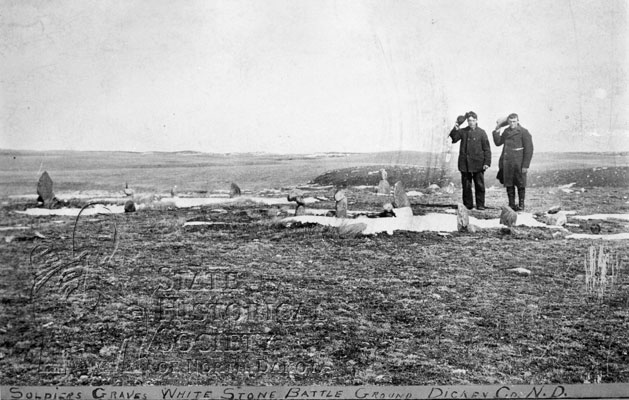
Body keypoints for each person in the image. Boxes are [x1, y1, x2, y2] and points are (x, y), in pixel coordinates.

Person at [448, 111, 491, 210]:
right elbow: (453, 139)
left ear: (476, 120)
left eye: (473, 120)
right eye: (469, 120)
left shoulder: (482, 132)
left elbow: (487, 149)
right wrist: (455, 128)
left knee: (479, 185)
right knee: (466, 186)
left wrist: (487, 163)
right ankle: (468, 205)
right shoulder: (463, 131)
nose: (471, 122)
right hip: (465, 164)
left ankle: (480, 205)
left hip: (478, 163)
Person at [493, 113, 534, 211]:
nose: (512, 123)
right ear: (508, 122)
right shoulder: (506, 131)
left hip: (519, 164)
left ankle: (521, 205)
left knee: (520, 184)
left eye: (514, 121)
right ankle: (511, 204)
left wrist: (525, 166)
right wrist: (497, 130)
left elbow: (529, 150)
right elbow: (498, 143)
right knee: (509, 184)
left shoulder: (524, 132)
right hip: (507, 163)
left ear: (518, 121)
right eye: (510, 122)